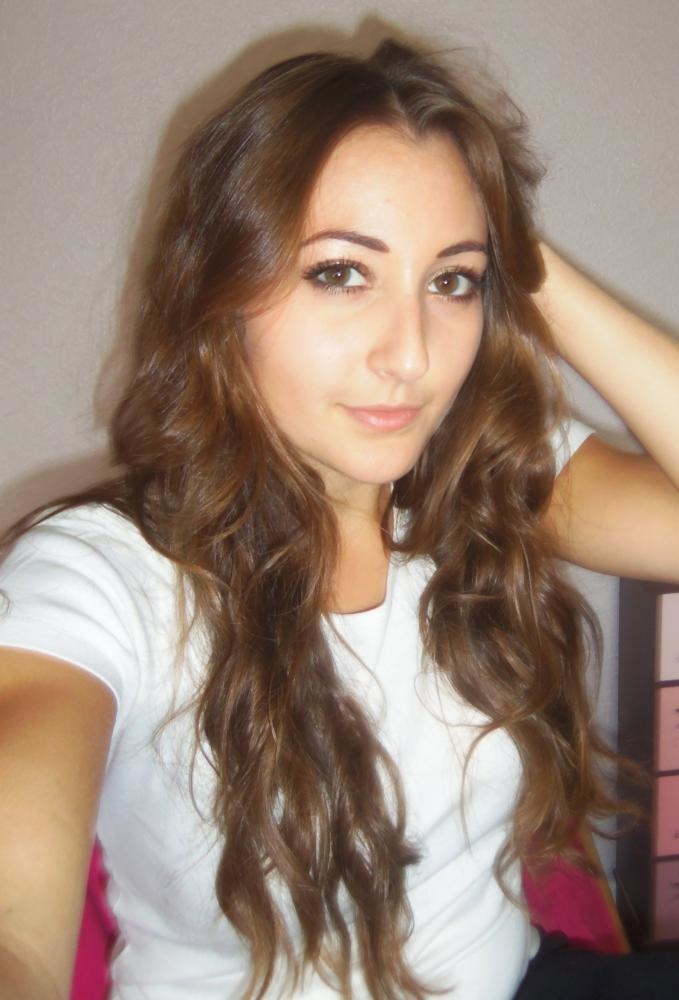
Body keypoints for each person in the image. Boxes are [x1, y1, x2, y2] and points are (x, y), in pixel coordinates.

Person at [0, 36, 678, 1000]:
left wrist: (515, 253)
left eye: (451, 282)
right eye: (339, 273)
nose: (409, 356)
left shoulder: (478, 482)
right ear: (220, 289)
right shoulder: (99, 577)